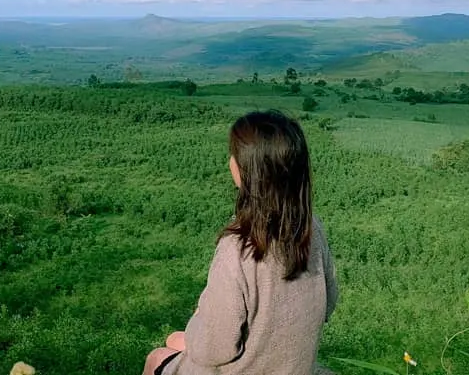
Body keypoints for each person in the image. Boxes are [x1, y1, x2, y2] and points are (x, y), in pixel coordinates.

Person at [143, 110, 338, 375]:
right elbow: (328, 303)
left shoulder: (238, 247)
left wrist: (201, 315)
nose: (229, 161)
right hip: (293, 366)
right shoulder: (312, 228)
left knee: (158, 355)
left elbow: (216, 349)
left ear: (249, 172)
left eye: (234, 154)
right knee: (177, 340)